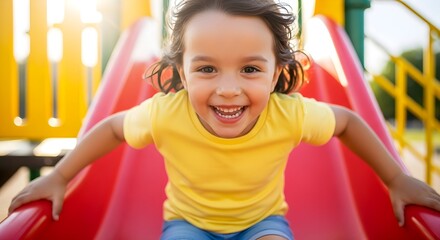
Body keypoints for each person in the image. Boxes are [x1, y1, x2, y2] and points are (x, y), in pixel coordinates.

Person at [8, 0, 440, 239]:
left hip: (263, 224)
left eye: (250, 69)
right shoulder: (165, 113)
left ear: (277, 72)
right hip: (187, 225)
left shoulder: (287, 113)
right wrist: (61, 176)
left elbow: (346, 121)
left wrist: (395, 179)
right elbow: (111, 128)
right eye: (207, 68)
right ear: (181, 71)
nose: (228, 89)